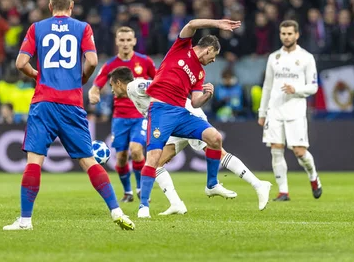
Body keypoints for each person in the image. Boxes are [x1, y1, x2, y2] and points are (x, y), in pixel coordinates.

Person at [3, 0, 134, 231]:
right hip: (72, 103)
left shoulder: (36, 28)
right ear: (71, 6)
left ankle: (25, 220)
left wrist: (35, 73)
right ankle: (116, 210)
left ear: (50, 5)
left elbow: (20, 63)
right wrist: (82, 78)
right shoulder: (82, 28)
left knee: (34, 161)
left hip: (44, 102)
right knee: (88, 161)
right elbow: (93, 60)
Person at [108, 67, 272, 214]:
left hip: (185, 115)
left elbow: (159, 86)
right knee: (155, 163)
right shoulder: (132, 92)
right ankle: (176, 204)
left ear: (118, 83)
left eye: (112, 86)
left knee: (218, 153)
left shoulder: (134, 86)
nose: (112, 91)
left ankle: (258, 184)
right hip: (172, 121)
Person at [135, 19, 241, 219]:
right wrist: (218, 24)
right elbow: (192, 23)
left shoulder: (200, 72)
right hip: (161, 110)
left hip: (182, 113)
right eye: (214, 55)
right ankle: (143, 207)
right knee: (153, 158)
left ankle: (211, 184)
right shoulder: (182, 46)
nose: (214, 60)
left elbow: (194, 102)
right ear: (208, 49)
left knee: (215, 138)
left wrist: (206, 96)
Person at [88, 27, 156, 202]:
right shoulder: (110, 65)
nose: (125, 43)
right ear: (117, 42)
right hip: (119, 117)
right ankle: (128, 192)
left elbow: (159, 82)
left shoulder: (145, 62)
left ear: (134, 41)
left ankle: (141, 189)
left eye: (128, 40)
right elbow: (96, 85)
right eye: (122, 40)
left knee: (136, 150)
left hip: (140, 115)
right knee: (121, 158)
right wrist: (94, 94)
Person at [258, 20, 322, 201]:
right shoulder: (273, 58)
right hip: (275, 110)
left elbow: (314, 87)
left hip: (296, 110)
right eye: (283, 34)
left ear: (297, 35)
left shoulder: (306, 58)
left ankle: (313, 176)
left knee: (299, 152)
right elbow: (267, 87)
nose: (286, 37)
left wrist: (296, 90)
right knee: (276, 149)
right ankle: (283, 191)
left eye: (289, 34)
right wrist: (262, 113)